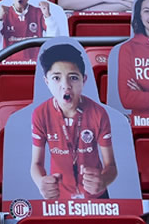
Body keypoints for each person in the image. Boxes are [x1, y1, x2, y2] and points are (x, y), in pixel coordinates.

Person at [29, 43, 118, 200]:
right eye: (56, 78)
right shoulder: (40, 114)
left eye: (73, 78)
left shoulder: (98, 113)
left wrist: (103, 181)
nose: (66, 86)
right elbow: (36, 164)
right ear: (47, 81)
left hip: (96, 195)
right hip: (59, 196)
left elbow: (111, 166)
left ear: (84, 80)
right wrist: (40, 183)